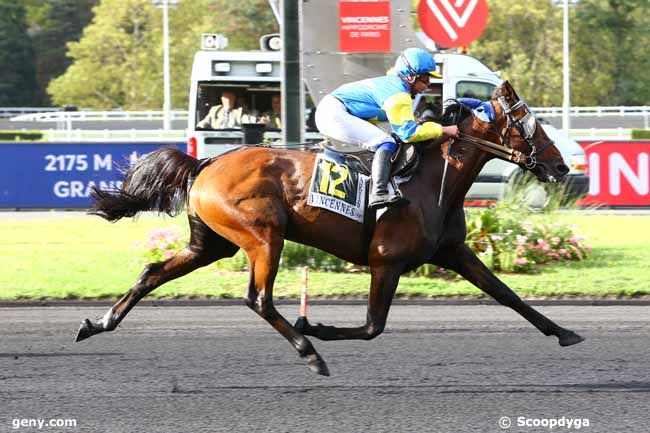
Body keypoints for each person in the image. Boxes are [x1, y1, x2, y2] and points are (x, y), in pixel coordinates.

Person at [315, 48, 459, 210]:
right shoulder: (399, 94)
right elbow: (408, 134)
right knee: (386, 142)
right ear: (411, 76)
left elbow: (399, 124)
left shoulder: (395, 86)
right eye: (425, 79)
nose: (428, 84)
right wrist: (444, 130)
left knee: (386, 141)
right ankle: (379, 192)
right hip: (334, 113)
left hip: (334, 110)